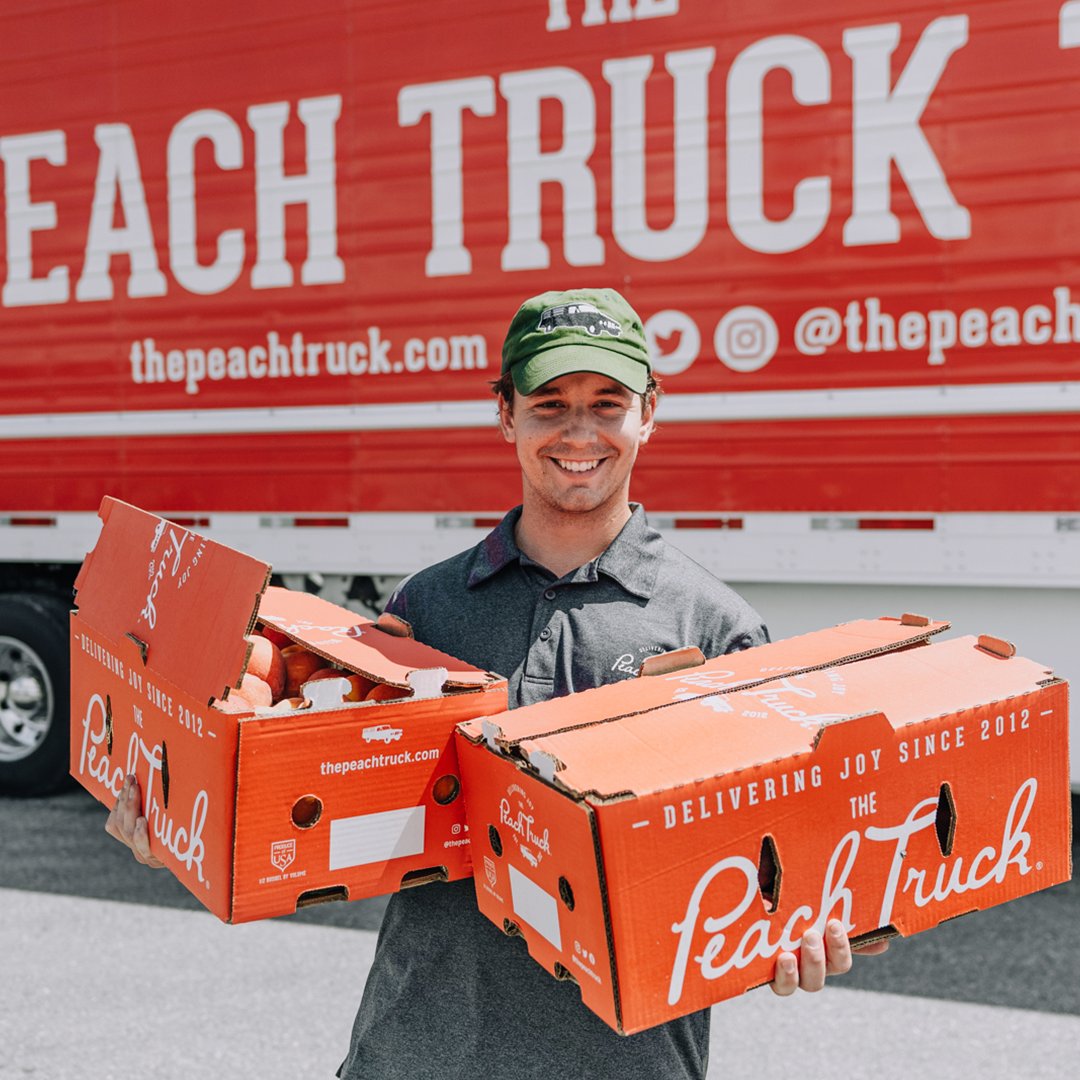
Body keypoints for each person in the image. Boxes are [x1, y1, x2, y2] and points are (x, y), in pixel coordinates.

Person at [107, 288, 885, 1080]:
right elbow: (330, 810)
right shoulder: (425, 609)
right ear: (505, 415)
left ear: (649, 413)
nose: (579, 432)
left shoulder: (714, 631)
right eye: (549, 404)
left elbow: (766, 860)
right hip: (417, 1051)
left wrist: (801, 929)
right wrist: (192, 828)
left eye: (606, 403)